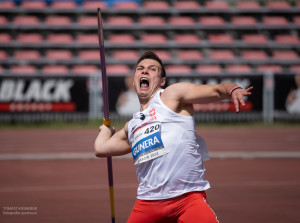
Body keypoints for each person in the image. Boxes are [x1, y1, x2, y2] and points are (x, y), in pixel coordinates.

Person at [94, 51, 253, 223]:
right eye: (140, 69)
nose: (144, 71)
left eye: (152, 69)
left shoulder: (171, 96)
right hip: (147, 204)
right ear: (134, 80)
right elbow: (100, 149)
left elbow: (216, 90)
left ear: (162, 81)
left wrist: (233, 89)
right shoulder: (131, 126)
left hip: (187, 200)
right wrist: (105, 130)